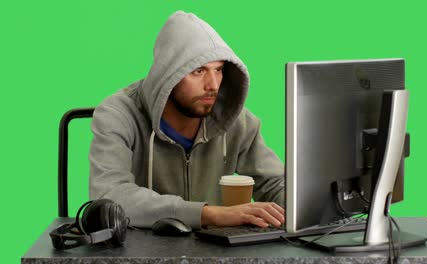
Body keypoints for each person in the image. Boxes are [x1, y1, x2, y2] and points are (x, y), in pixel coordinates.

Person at [89, 11, 284, 230]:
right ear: (167, 75)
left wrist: (318, 203)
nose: (213, 85)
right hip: (140, 251)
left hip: (215, 254)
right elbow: (109, 195)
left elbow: (275, 184)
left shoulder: (238, 121)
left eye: (218, 70)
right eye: (198, 71)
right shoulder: (117, 115)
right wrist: (208, 214)